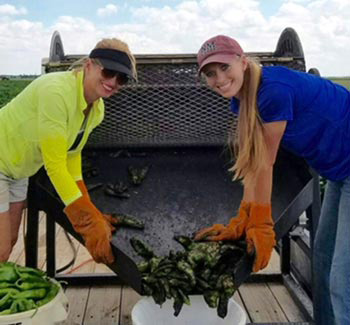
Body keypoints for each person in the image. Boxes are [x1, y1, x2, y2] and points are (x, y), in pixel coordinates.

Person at [194, 34, 350, 325]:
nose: (219, 79)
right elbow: (253, 164)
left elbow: (266, 163)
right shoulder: (241, 101)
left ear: (242, 61)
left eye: (225, 68)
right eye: (210, 74)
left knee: (343, 280)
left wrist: (262, 223)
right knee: (324, 260)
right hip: (338, 170)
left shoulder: (273, 91)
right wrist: (244, 216)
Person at [0, 38, 137, 265]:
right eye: (109, 72)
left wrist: (88, 207)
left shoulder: (97, 110)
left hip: (18, 171)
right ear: (89, 66)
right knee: (1, 248)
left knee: (9, 242)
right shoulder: (56, 92)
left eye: (121, 78)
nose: (113, 82)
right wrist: (86, 221)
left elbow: (72, 155)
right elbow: (55, 166)